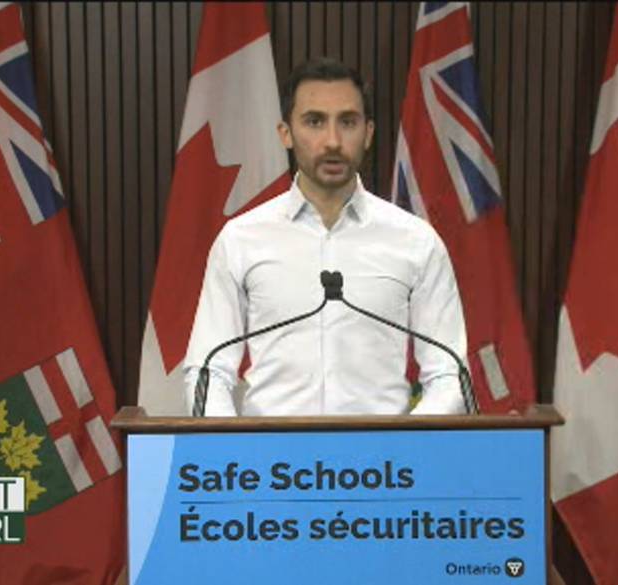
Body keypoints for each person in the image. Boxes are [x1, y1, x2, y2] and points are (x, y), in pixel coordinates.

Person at [182, 57, 469, 416]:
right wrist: (232, 447)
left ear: (368, 133)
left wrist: (403, 444)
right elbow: (208, 371)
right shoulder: (241, 240)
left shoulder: (416, 241)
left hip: (384, 450)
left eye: (347, 122)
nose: (332, 141)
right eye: (314, 121)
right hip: (269, 450)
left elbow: (448, 375)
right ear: (285, 133)